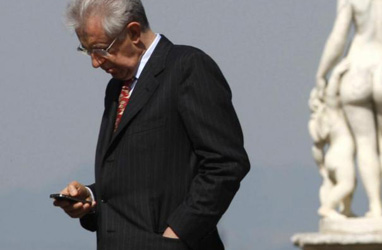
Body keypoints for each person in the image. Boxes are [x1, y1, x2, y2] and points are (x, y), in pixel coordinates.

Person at [52, 1, 250, 249]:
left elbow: (226, 163)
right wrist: (91, 198)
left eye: (101, 49)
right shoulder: (117, 88)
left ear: (133, 32)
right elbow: (139, 179)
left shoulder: (187, 68)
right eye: (87, 51)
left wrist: (177, 233)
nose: (95, 62)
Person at [315, 0, 382, 218]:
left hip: (357, 67)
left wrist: (322, 73)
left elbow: (338, 37)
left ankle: (375, 206)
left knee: (365, 143)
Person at [309, 60, 356, 219]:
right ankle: (327, 208)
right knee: (347, 184)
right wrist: (337, 74)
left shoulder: (328, 119)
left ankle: (346, 210)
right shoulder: (334, 114)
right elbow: (331, 96)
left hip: (333, 157)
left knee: (348, 183)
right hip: (340, 156)